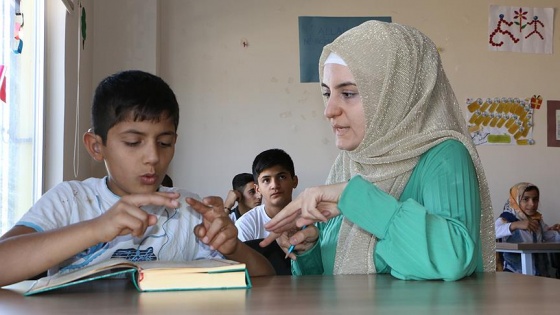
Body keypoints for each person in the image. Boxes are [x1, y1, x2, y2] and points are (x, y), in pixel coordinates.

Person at [261, 20, 495, 281]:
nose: (329, 111)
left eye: (348, 93)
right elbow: (333, 276)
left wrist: (352, 195)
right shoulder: (349, 162)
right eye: (327, 94)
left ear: (395, 95)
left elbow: (453, 259)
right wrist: (310, 249)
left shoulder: (444, 156)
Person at [0, 70, 274, 287]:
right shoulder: (70, 200)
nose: (153, 157)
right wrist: (96, 228)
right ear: (97, 146)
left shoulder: (189, 209)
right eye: (133, 142)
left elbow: (267, 278)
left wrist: (233, 249)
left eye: (164, 143)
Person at [495, 182, 560, 276]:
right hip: (514, 276)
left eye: (535, 199)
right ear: (516, 200)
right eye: (526, 199)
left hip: (539, 276)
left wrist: (557, 231)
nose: (532, 204)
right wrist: (515, 225)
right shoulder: (507, 219)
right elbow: (489, 234)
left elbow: (550, 236)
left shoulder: (537, 220)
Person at [235, 149, 298, 242]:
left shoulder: (313, 218)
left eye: (282, 177)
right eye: (266, 180)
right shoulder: (246, 225)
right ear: (257, 189)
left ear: (294, 181)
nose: (275, 185)